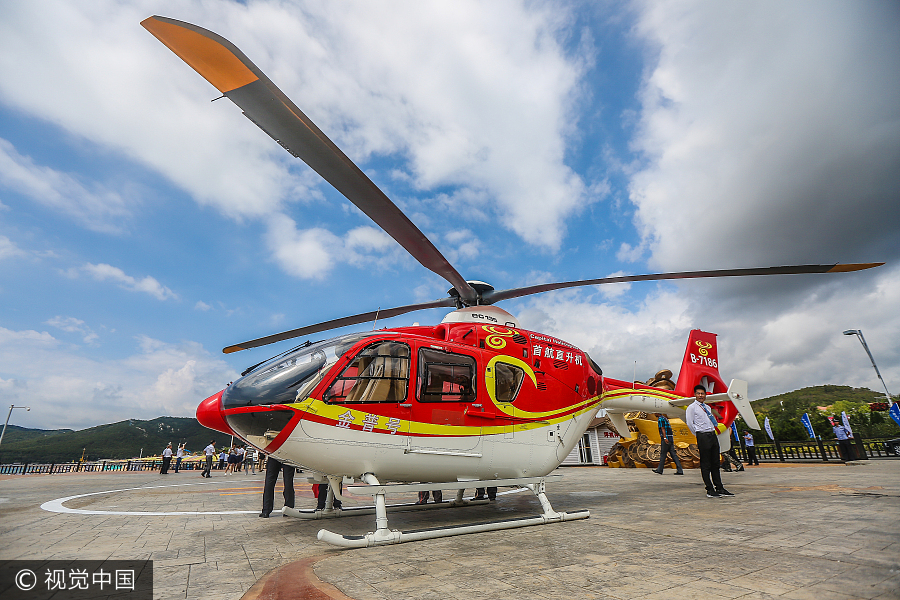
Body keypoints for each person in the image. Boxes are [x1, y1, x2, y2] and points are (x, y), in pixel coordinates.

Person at [685, 384, 733, 498]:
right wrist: (699, 433)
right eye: (698, 393)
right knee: (706, 463)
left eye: (702, 393)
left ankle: (719, 487)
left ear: (705, 395)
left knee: (716, 462)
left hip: (712, 434)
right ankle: (709, 489)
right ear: (695, 394)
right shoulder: (691, 407)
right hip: (703, 436)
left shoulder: (707, 407)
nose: (701, 395)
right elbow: (690, 423)